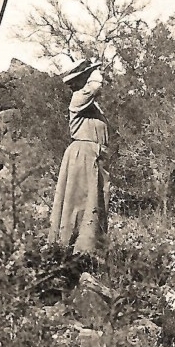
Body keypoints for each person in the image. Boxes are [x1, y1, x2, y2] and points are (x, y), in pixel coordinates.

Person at [48, 58, 109, 254]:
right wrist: (96, 72)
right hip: (82, 154)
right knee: (79, 201)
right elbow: (96, 86)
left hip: (92, 155)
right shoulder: (79, 98)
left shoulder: (90, 105)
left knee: (93, 202)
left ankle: (88, 249)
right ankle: (72, 249)